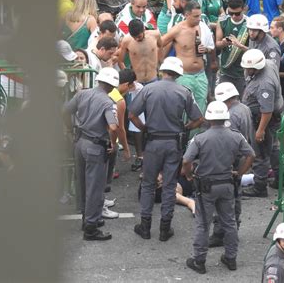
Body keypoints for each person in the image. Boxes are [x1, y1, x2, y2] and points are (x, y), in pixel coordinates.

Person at [129, 57, 203, 241]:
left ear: (162, 71)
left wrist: (144, 128)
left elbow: (131, 115)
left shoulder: (148, 89)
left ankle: (145, 226)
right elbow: (198, 119)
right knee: (169, 185)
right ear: (178, 74)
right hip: (173, 143)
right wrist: (184, 128)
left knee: (148, 184)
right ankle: (165, 228)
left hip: (153, 142)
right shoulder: (184, 91)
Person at [183, 101, 255, 274]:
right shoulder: (236, 136)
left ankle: (199, 260)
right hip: (227, 183)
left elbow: (186, 160)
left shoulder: (200, 138)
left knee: (203, 224)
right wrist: (239, 172)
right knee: (229, 222)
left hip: (206, 186)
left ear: (208, 118)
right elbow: (251, 154)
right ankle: (231, 258)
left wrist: (188, 175)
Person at [62, 67, 119, 241]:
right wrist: (113, 143)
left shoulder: (82, 94)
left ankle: (86, 220)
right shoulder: (107, 102)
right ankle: (91, 228)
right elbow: (113, 127)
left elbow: (64, 111)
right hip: (95, 146)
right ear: (112, 85)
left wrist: (70, 130)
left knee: (83, 184)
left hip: (80, 142)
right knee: (95, 188)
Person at [208, 82, 254, 248]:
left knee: (224, 200)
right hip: (241, 159)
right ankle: (233, 229)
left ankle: (222, 233)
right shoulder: (244, 109)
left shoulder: (230, 116)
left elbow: (227, 142)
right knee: (235, 195)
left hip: (231, 162)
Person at [117, 19, 163, 171]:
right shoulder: (127, 41)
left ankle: (155, 153)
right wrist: (129, 76)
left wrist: (160, 66)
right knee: (135, 118)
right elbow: (120, 59)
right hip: (137, 84)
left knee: (155, 116)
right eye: (135, 36)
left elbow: (161, 47)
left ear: (144, 29)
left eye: (139, 35)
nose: (138, 38)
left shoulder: (154, 35)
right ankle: (140, 155)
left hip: (153, 79)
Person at [241, 49, 284, 197]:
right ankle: (280, 179)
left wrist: (260, 130)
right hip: (273, 116)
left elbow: (267, 111)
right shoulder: (269, 63)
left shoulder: (264, 84)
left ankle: (259, 186)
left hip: (264, 119)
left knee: (260, 153)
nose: (246, 70)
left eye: (249, 68)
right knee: (274, 148)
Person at [161, 1, 216, 115]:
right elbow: (160, 43)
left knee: (201, 107)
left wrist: (206, 49)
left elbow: (211, 47)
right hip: (184, 75)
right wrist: (161, 63)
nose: (199, 19)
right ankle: (183, 131)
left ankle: (197, 133)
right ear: (186, 15)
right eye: (195, 16)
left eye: (200, 15)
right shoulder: (177, 29)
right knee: (184, 107)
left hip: (200, 74)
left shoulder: (203, 27)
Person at [102, 69, 135, 218]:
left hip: (99, 138)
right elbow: (120, 128)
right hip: (109, 142)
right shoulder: (119, 100)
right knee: (103, 176)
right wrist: (126, 149)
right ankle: (100, 205)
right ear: (127, 84)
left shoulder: (104, 92)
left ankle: (101, 200)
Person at [215, 0, 248, 97]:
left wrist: (240, 46)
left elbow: (255, 51)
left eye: (237, 14)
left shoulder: (249, 24)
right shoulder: (222, 21)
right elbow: (217, 44)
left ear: (244, 9)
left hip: (243, 73)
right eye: (230, 13)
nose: (233, 16)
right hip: (226, 71)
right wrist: (224, 43)